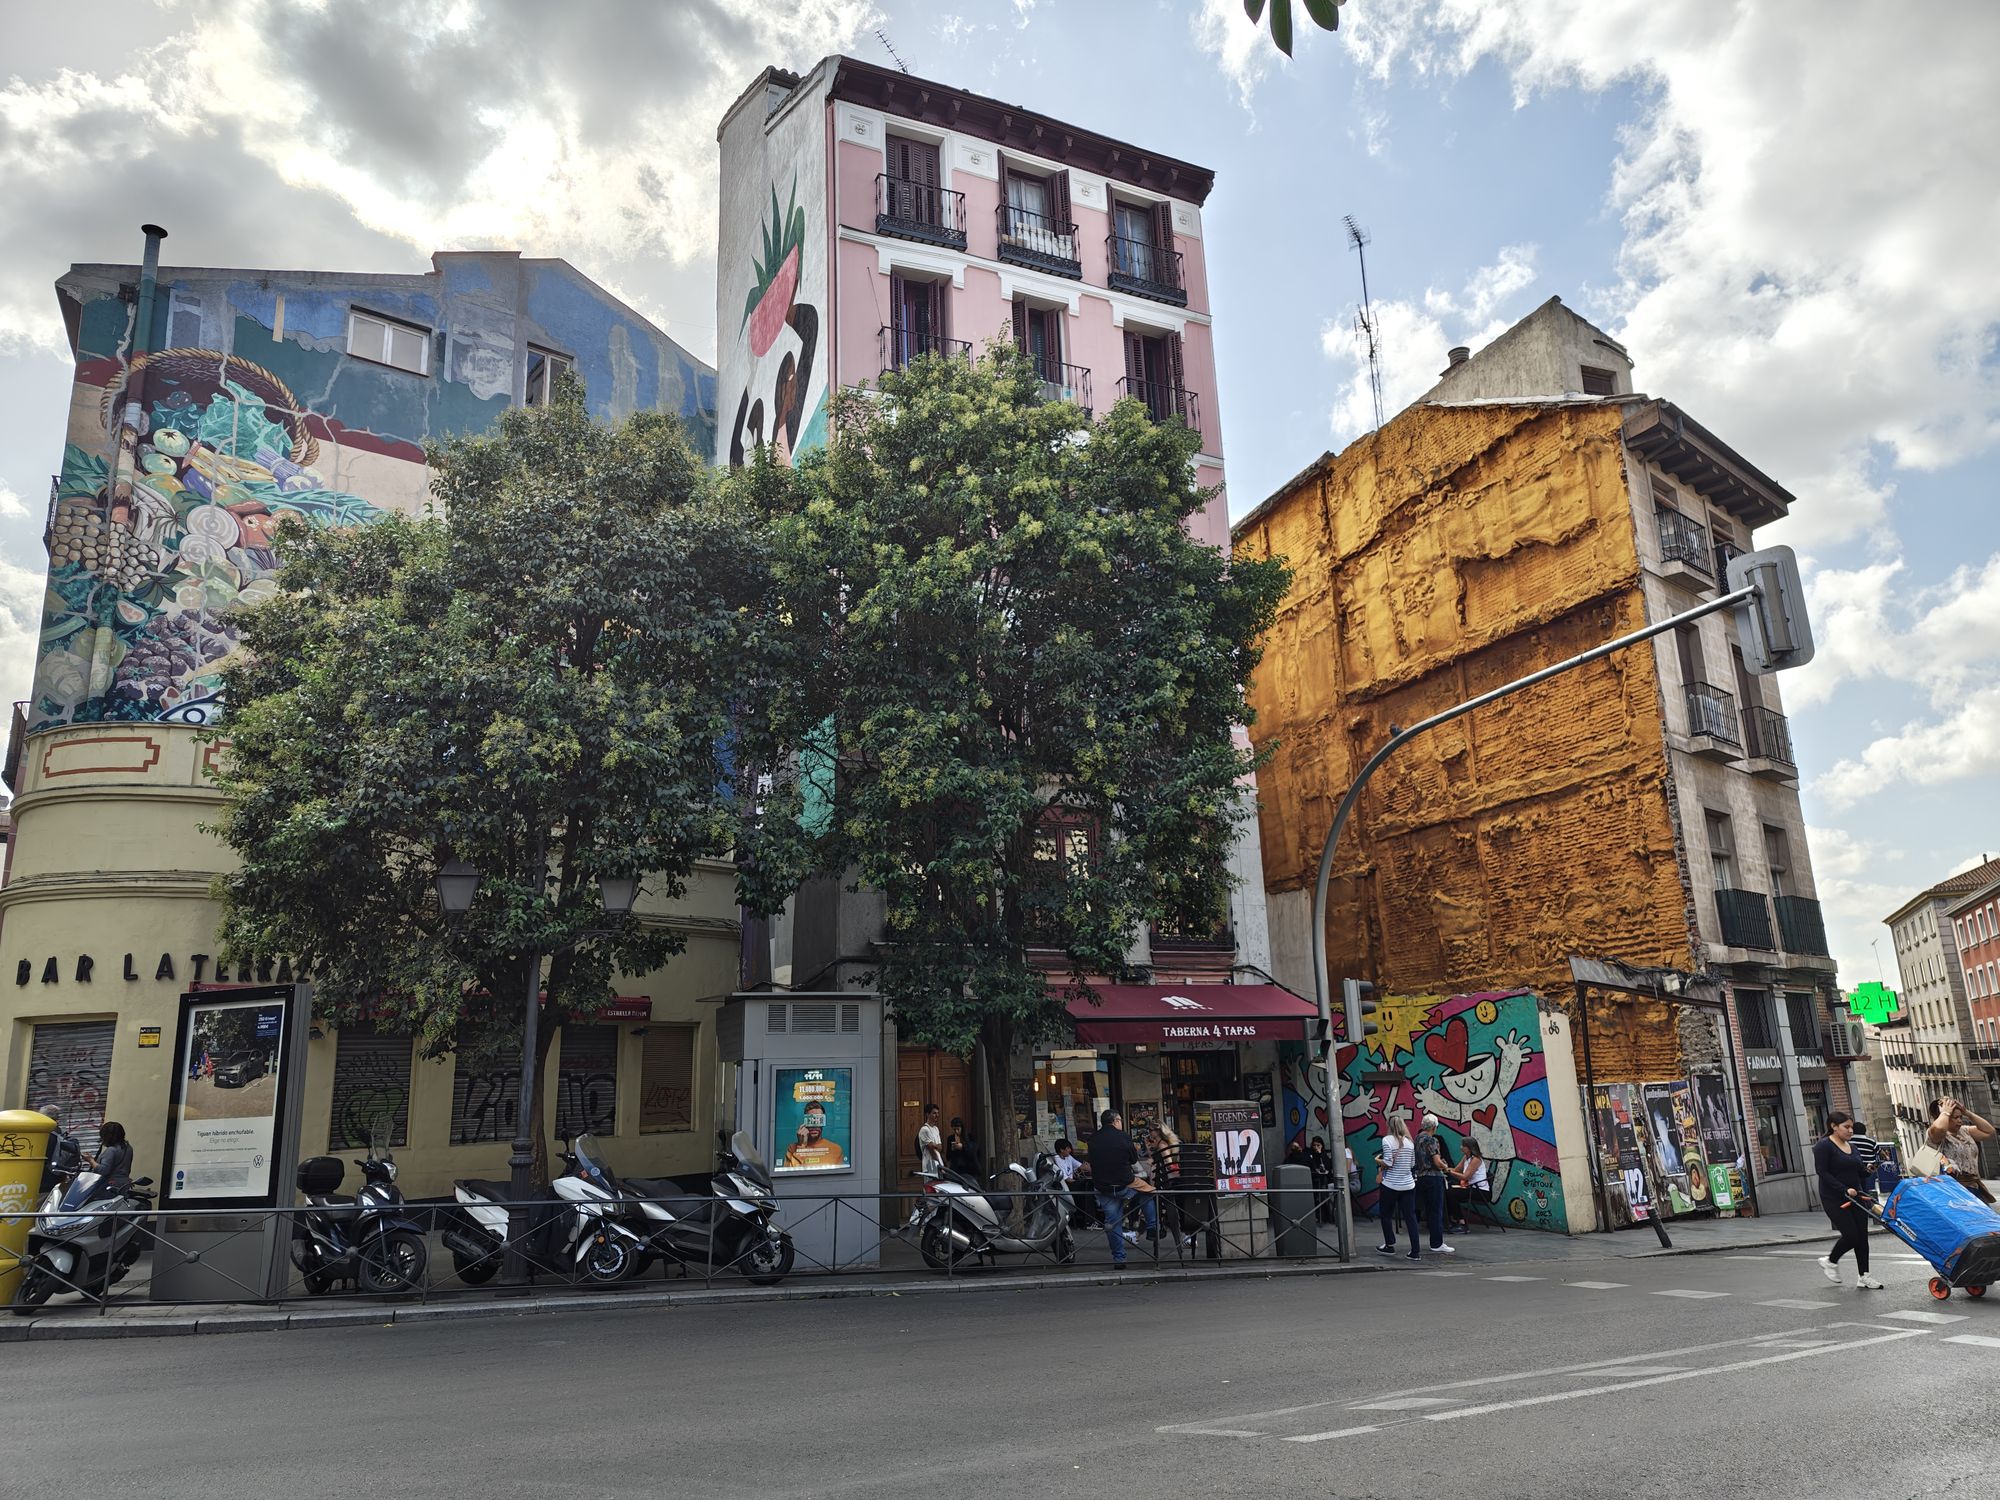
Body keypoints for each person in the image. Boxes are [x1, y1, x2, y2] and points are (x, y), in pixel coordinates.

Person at [1814, 1111, 1882, 1289]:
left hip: (1857, 1196)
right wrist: (1844, 1189)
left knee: (1862, 1237)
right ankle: (1830, 1261)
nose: (1850, 1130)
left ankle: (1864, 1276)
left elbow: (1859, 1171)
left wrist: (1869, 1169)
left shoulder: (1852, 1147)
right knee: (1851, 1236)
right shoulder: (1824, 1146)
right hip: (1834, 1197)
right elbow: (1823, 1172)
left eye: (1851, 1127)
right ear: (1833, 1127)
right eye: (1846, 1127)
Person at [1087, 1109, 1141, 1267]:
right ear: (1116, 1121)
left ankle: (1119, 1258)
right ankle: (1152, 1225)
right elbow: (1133, 1159)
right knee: (1150, 1192)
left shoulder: (1093, 1139)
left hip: (1103, 1186)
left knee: (1112, 1222)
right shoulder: (1123, 1136)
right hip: (1124, 1184)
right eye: (1120, 1120)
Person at [1927, 1097, 1996, 1204]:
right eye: (1955, 1117)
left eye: (1960, 1117)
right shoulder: (1937, 1135)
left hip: (1974, 1187)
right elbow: (1940, 1128)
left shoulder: (1964, 1131)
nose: (1959, 1120)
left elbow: (1989, 1131)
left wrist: (1967, 1113)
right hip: (1953, 1191)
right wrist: (1945, 1112)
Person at [1375, 1118, 1421, 1261]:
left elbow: (1388, 1162)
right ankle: (1415, 1251)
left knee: (1386, 1215)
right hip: (1408, 1185)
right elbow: (1412, 1163)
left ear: (1389, 1126)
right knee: (1410, 1217)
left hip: (1390, 1185)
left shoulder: (1387, 1140)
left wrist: (1378, 1161)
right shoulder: (1410, 1142)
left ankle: (1389, 1245)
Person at [1414, 1113, 1455, 1255]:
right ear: (1434, 1127)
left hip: (1421, 1177)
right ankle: (1437, 1243)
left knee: (1425, 1209)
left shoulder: (1417, 1138)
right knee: (1436, 1211)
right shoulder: (1432, 1140)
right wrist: (1445, 1166)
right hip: (1433, 1177)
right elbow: (1436, 1162)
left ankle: (1431, 1242)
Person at [781, 1101, 845, 1170]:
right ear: (804, 1123)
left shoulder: (836, 1149)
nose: (814, 1126)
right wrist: (801, 1146)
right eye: (810, 1120)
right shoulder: (792, 1149)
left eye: (818, 1120)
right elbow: (789, 1176)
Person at [1447, 1141, 1489, 1232]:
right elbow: (1456, 1170)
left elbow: (1465, 1176)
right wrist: (1444, 1168)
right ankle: (1452, 1220)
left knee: (1451, 1193)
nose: (1461, 1147)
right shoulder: (1466, 1157)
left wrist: (1449, 1172)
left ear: (1470, 1148)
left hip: (1480, 1191)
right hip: (1470, 1188)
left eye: (1463, 1146)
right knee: (1446, 1189)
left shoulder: (1476, 1159)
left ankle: (1461, 1223)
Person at [87, 1121, 133, 1188]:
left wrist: (90, 1160)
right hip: (124, 1184)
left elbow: (103, 1171)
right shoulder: (128, 1148)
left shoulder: (111, 1150)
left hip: (111, 1186)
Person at [1306, 1136, 1336, 1225]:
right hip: (1314, 1178)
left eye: (1318, 1145)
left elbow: (1327, 1166)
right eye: (1314, 1145)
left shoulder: (1324, 1155)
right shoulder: (1310, 1154)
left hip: (1325, 1179)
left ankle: (1327, 1216)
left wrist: (1320, 1154)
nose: (1315, 1147)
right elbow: (1312, 1165)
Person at [1848, 1119, 1881, 1195]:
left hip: (1854, 1171)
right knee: (1869, 1192)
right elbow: (1880, 1154)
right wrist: (1875, 1166)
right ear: (1864, 1131)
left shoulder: (1849, 1142)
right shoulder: (1871, 1142)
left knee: (1857, 1192)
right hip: (1869, 1170)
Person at [916, 1103, 944, 1178]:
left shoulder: (936, 1129)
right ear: (927, 1114)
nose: (937, 1115)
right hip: (930, 1165)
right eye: (934, 1113)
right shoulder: (924, 1130)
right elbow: (931, 1149)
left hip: (938, 1164)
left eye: (938, 1113)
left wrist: (935, 1145)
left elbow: (940, 1147)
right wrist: (939, 1164)